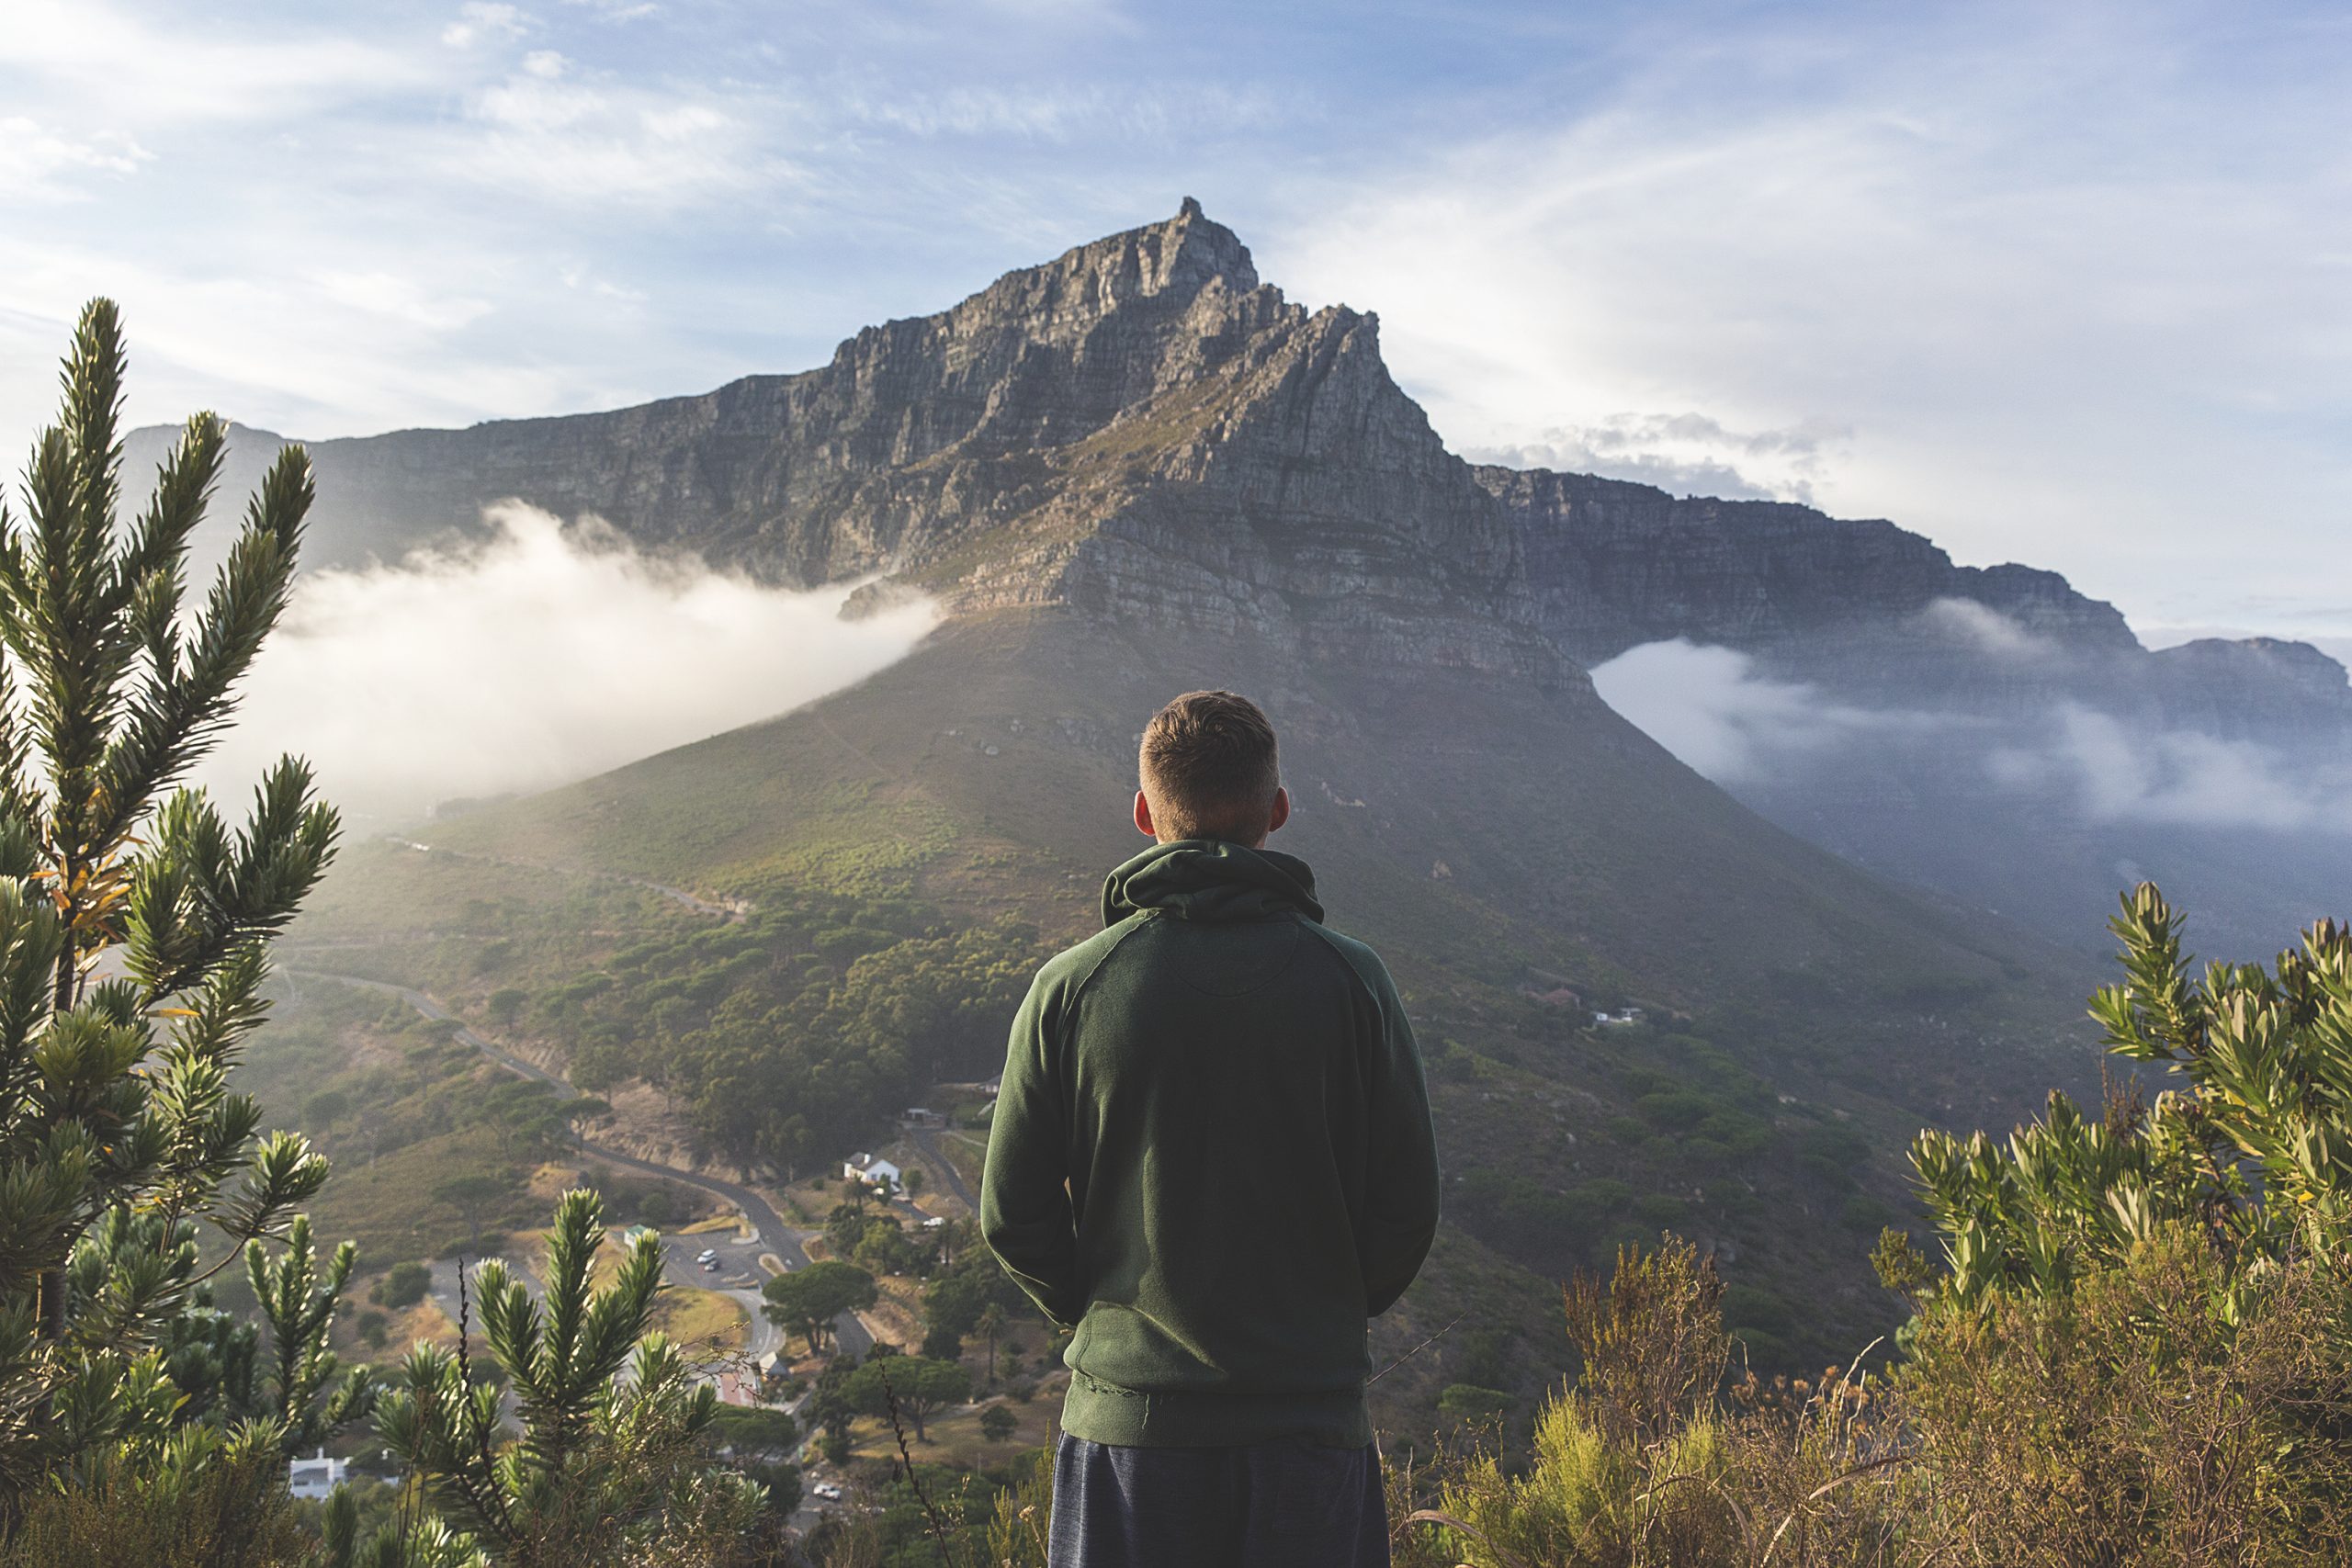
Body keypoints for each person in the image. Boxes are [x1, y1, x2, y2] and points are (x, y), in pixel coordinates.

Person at [982, 689, 1441, 1568]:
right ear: (1277, 810)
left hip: (1129, 1440)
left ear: (1145, 811)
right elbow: (1407, 1209)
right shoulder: (1353, 982)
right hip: (1310, 1429)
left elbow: (1013, 1214)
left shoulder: (1073, 988)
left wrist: (1106, 1319)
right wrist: (1323, 1315)